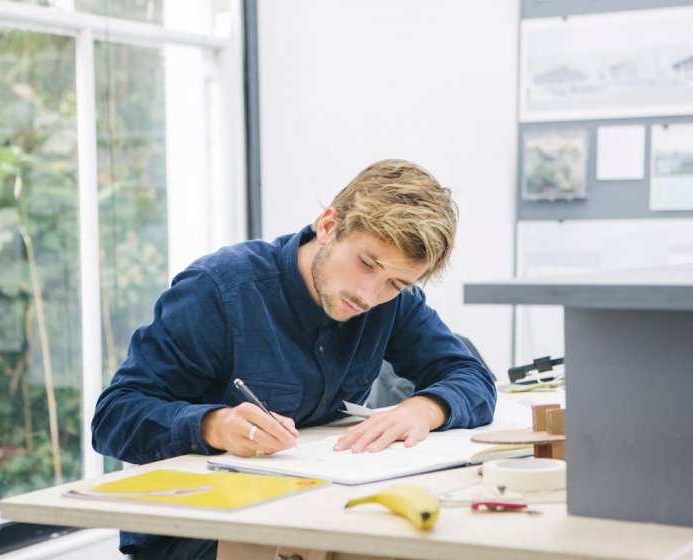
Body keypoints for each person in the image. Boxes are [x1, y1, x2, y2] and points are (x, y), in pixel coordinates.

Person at [91, 158, 497, 559]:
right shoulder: (218, 290)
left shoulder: (392, 304)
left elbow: (471, 375)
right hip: (197, 530)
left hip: (312, 509)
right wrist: (215, 425)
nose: (369, 296)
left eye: (394, 283)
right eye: (366, 264)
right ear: (327, 226)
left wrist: (423, 409)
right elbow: (114, 416)